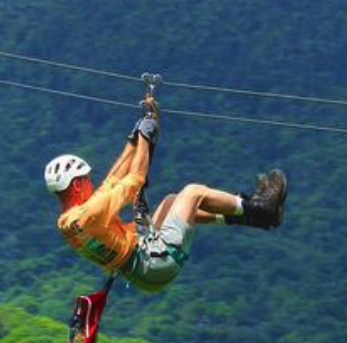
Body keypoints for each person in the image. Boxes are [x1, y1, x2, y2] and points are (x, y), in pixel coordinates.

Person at [47, 95, 287, 299]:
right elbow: (135, 179)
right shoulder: (89, 214)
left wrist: (135, 139)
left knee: (173, 202)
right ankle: (259, 208)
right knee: (193, 192)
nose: (91, 181)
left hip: (142, 272)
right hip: (154, 262)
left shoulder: (68, 221)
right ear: (77, 185)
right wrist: (146, 135)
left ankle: (246, 218)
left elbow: (109, 183)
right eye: (87, 178)